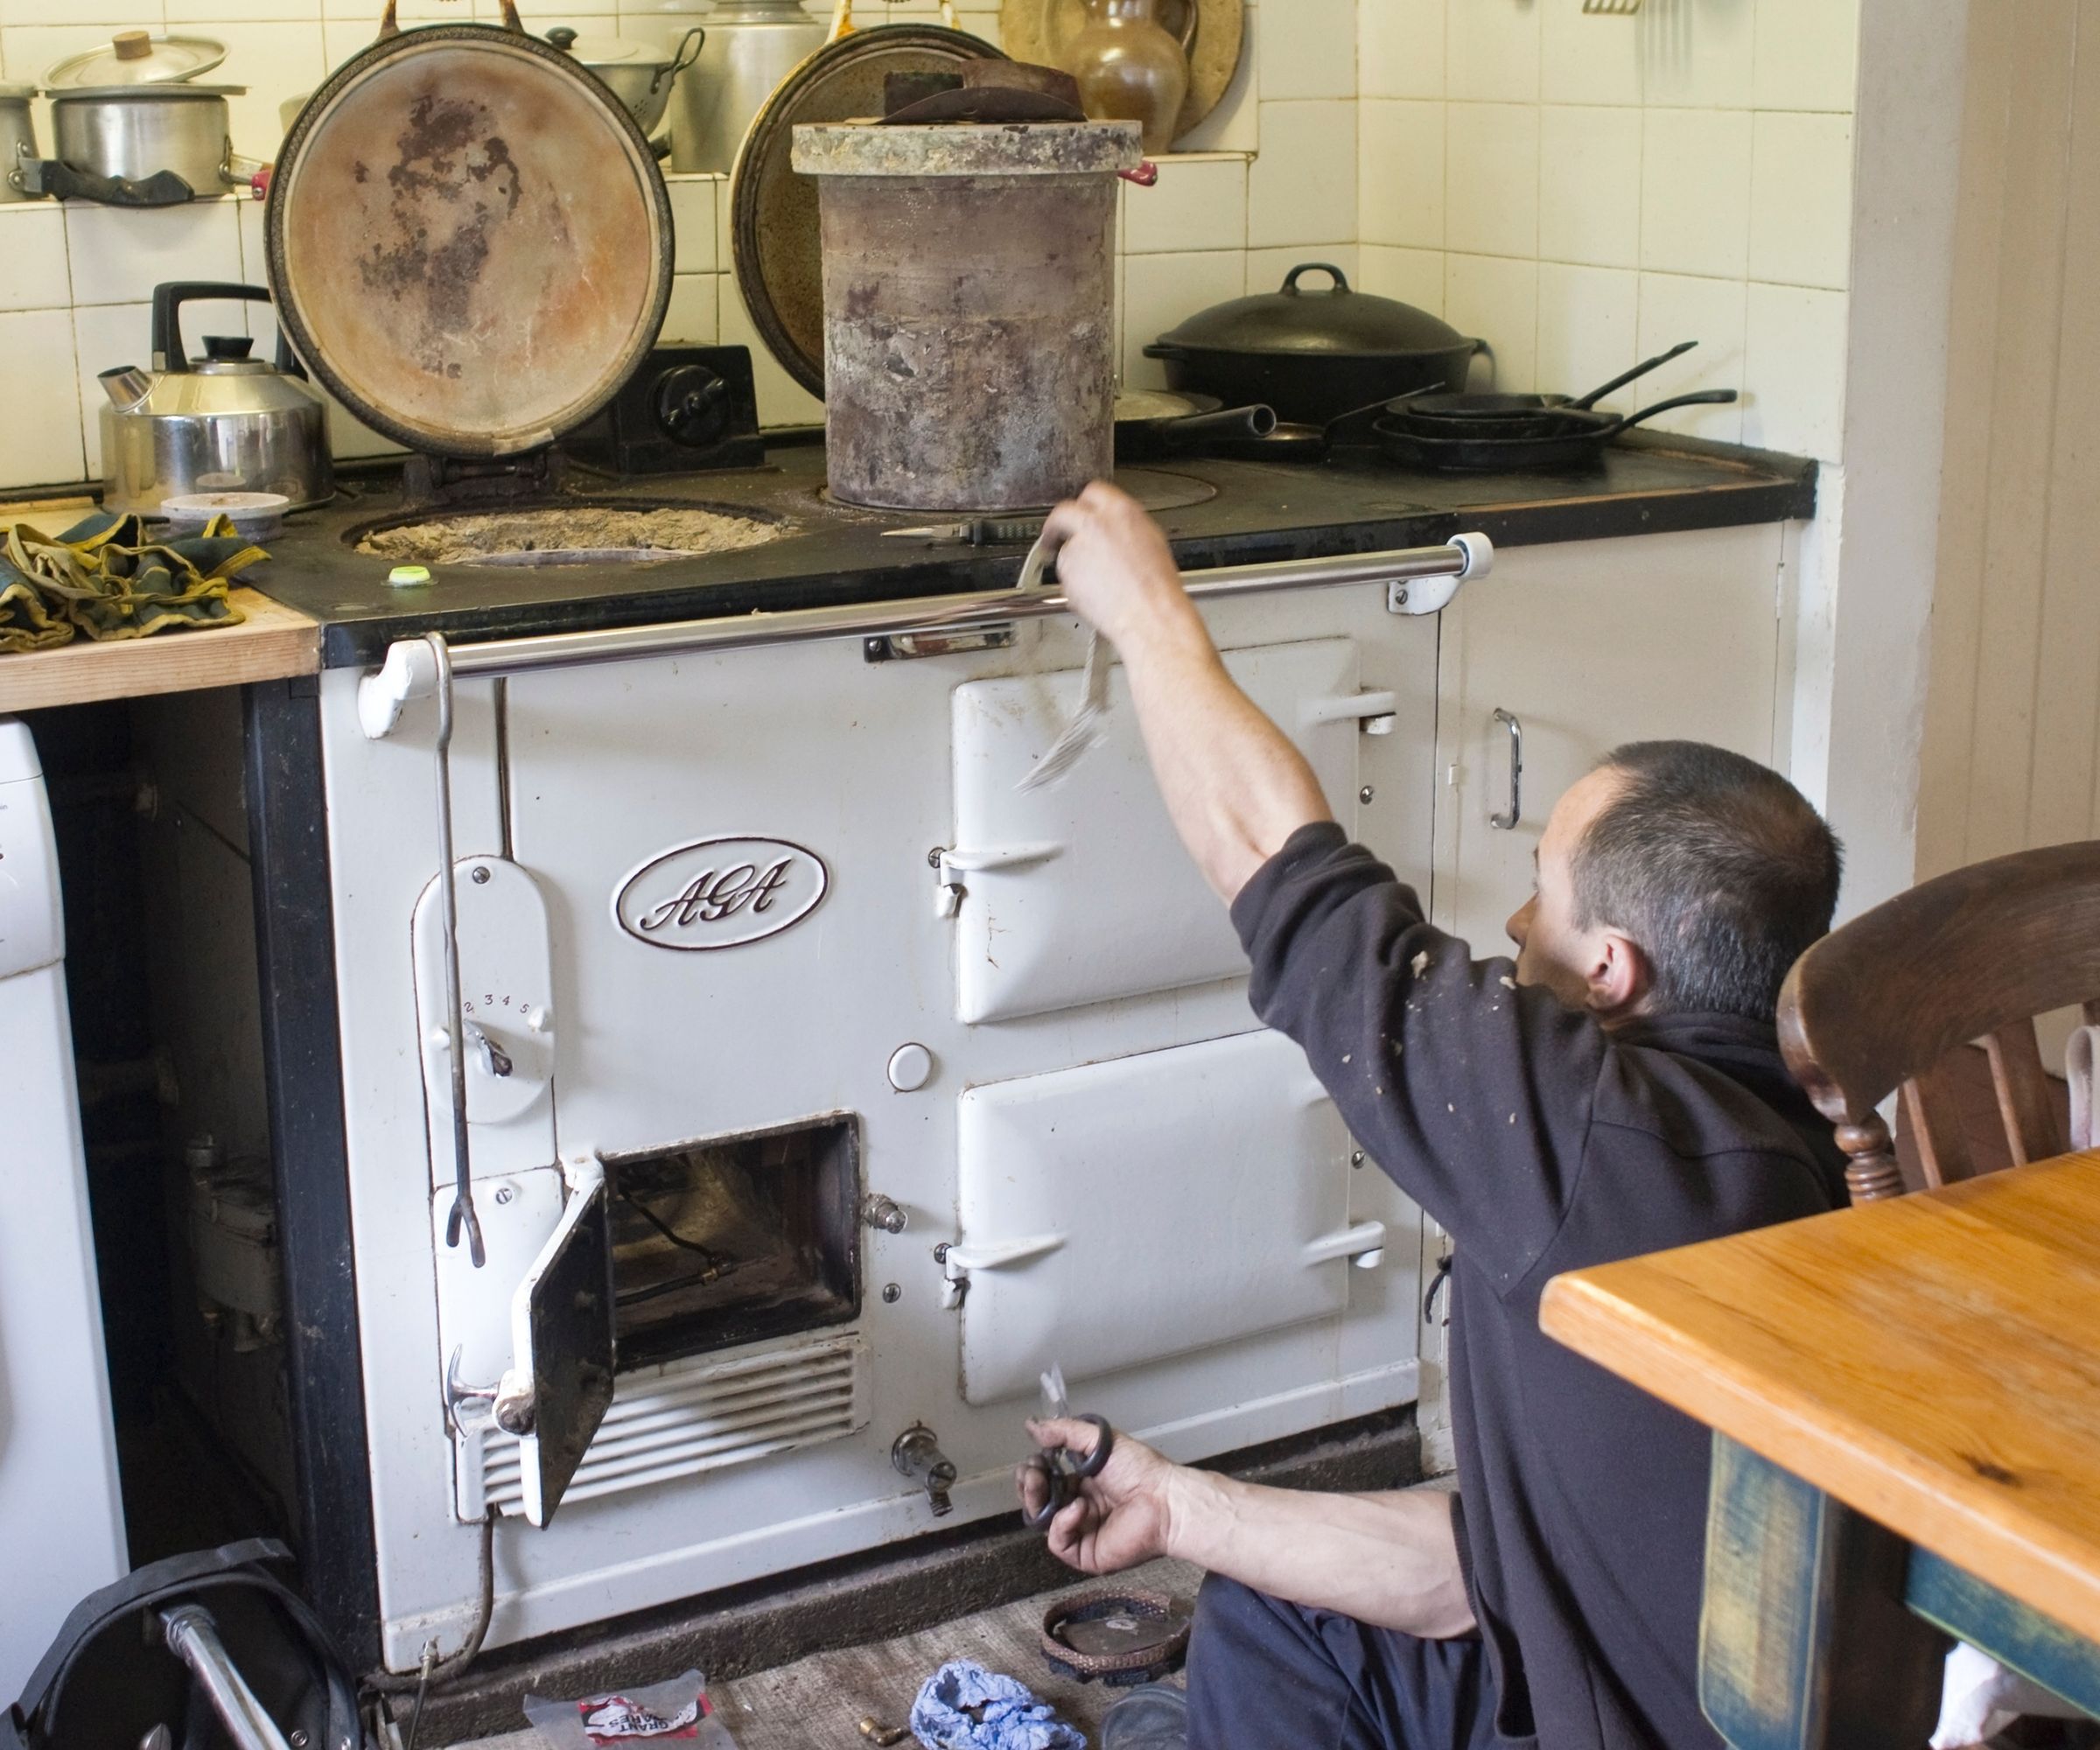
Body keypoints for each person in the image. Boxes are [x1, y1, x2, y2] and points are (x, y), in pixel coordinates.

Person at [1014, 484, 1850, 1750]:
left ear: (1614, 970)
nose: (1516, 928)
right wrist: (1174, 1508)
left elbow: (1287, 879)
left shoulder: (1592, 1137)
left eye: (1541, 892)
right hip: (1667, 1683)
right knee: (1271, 1618)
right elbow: (1489, 1569)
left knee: (1249, 1670)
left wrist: (1147, 613)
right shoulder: (1808, 1149)